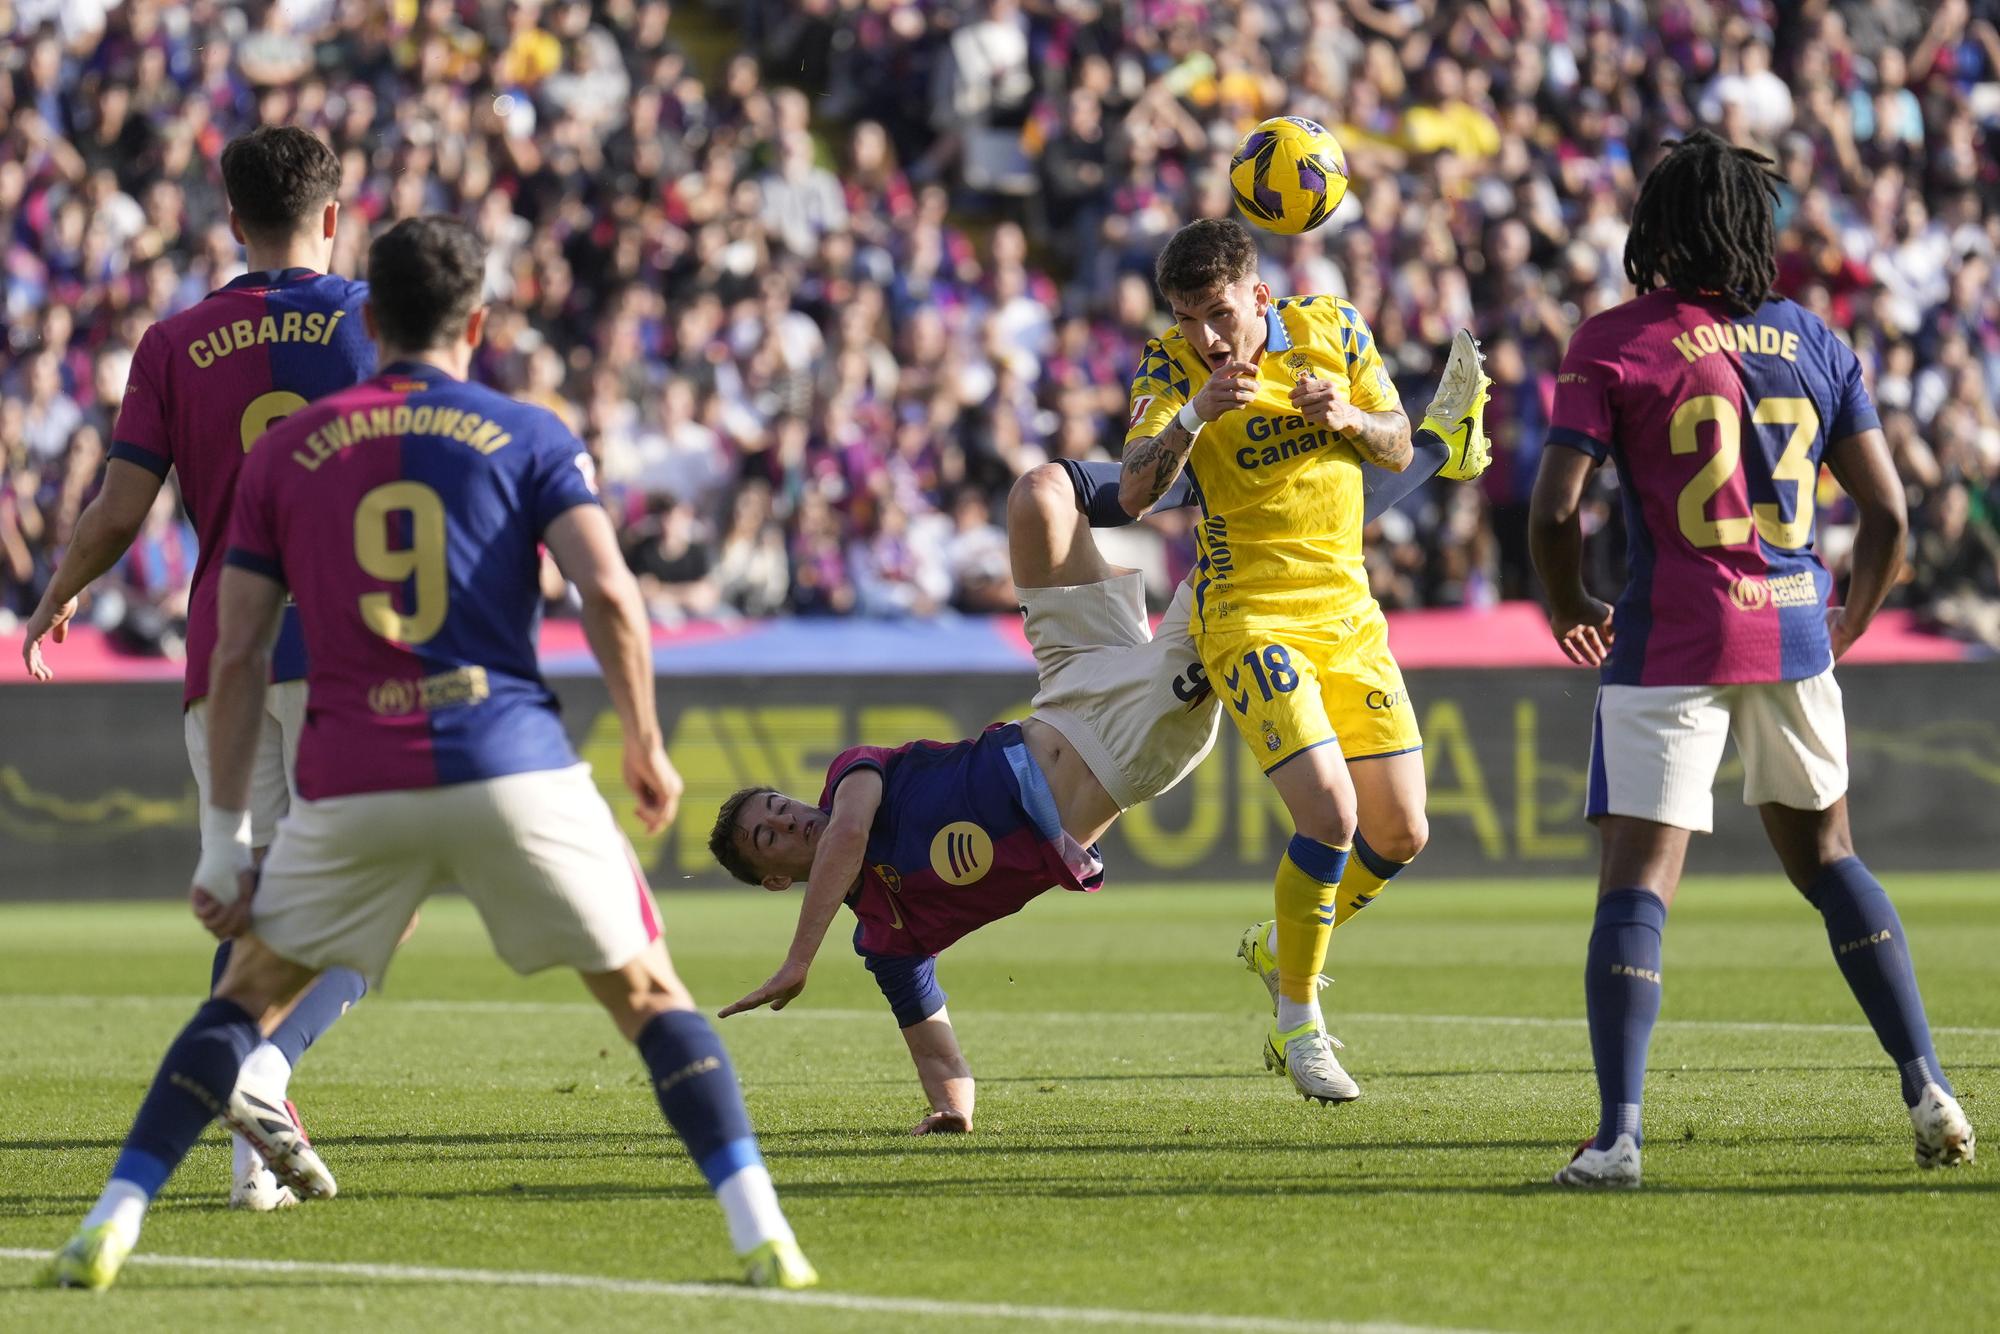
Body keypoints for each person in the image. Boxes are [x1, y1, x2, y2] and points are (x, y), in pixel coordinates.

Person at [43, 216, 817, 1292]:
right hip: (509, 759)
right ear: (479, 322)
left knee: (242, 999)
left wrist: (223, 840)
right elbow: (608, 594)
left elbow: (234, 655)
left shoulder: (284, 454)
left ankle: (113, 1221)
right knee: (649, 991)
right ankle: (763, 1230)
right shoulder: (529, 431)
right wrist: (644, 738)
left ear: (369, 321)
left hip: (356, 774)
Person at [706, 350, 1492, 1129]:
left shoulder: (850, 781)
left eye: (774, 805)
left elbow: (845, 831)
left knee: (1040, 493)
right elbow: (939, 1055)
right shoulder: (886, 939)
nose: (787, 819)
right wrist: (950, 1112)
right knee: (1260, 548)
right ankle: (1433, 447)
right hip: (1128, 742)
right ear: (774, 878)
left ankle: (1182, 457)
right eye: (769, 835)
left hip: (1066, 683)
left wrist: (799, 958)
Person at [1528, 130, 1976, 1188]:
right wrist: (1850, 618)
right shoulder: (1813, 338)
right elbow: (1888, 509)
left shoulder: (1613, 340)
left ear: (1656, 228)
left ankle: (1618, 1135)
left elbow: (1554, 507)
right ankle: (1926, 1085)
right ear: (1752, 228)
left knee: (1636, 885)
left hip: (1672, 634)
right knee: (1829, 862)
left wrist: (1565, 604)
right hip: (1789, 630)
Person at [19, 125, 377, 1213]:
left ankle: (249, 1171)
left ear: (230, 220)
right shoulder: (377, 318)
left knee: (255, 907)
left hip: (222, 657)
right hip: (345, 651)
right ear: (332, 214)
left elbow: (118, 509)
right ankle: (261, 1071)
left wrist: (55, 594)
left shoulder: (173, 341)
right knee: (375, 900)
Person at [1116, 217, 1490, 1103]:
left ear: (1257, 294)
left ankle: (1280, 945)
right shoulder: (1171, 368)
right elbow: (1134, 488)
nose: (1204, 337)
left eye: (1216, 314)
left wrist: (1352, 416)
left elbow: (1397, 444)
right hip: (1247, 614)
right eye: (1185, 317)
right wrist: (1195, 420)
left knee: (1401, 832)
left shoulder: (1334, 327)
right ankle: (1298, 1024)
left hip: (1348, 611)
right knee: (1330, 813)